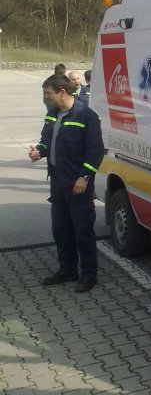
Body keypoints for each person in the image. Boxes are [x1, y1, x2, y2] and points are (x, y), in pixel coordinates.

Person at [28, 74, 104, 293]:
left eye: (48, 93)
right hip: (58, 181)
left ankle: (89, 275)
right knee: (61, 229)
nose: (46, 97)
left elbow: (96, 151)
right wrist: (39, 151)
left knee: (83, 231)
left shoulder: (86, 115)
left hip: (78, 184)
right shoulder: (52, 114)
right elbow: (46, 140)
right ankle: (67, 270)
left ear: (62, 92)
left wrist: (84, 177)